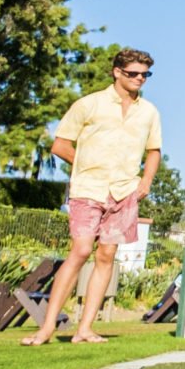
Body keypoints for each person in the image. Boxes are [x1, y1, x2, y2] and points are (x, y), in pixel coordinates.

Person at [27, 49, 161, 345]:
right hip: (89, 188)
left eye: (145, 74)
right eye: (133, 73)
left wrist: (146, 181)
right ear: (117, 72)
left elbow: (154, 151)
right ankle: (47, 326)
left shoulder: (149, 112)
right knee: (81, 250)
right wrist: (85, 164)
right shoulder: (89, 104)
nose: (140, 78)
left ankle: (85, 328)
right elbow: (60, 145)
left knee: (107, 255)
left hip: (125, 190)